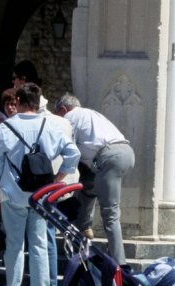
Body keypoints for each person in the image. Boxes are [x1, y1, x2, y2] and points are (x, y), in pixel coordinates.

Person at [0, 83, 79, 286]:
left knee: (14, 243)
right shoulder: (52, 126)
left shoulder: (5, 128)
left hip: (12, 193)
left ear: (18, 102)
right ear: (37, 104)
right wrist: (58, 179)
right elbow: (73, 153)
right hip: (41, 194)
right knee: (39, 242)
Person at [54, 93, 134, 265]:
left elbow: (67, 150)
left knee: (110, 214)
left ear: (63, 109)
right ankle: (84, 226)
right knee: (88, 185)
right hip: (125, 153)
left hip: (108, 157)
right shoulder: (90, 114)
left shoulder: (69, 117)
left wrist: (57, 177)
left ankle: (121, 264)